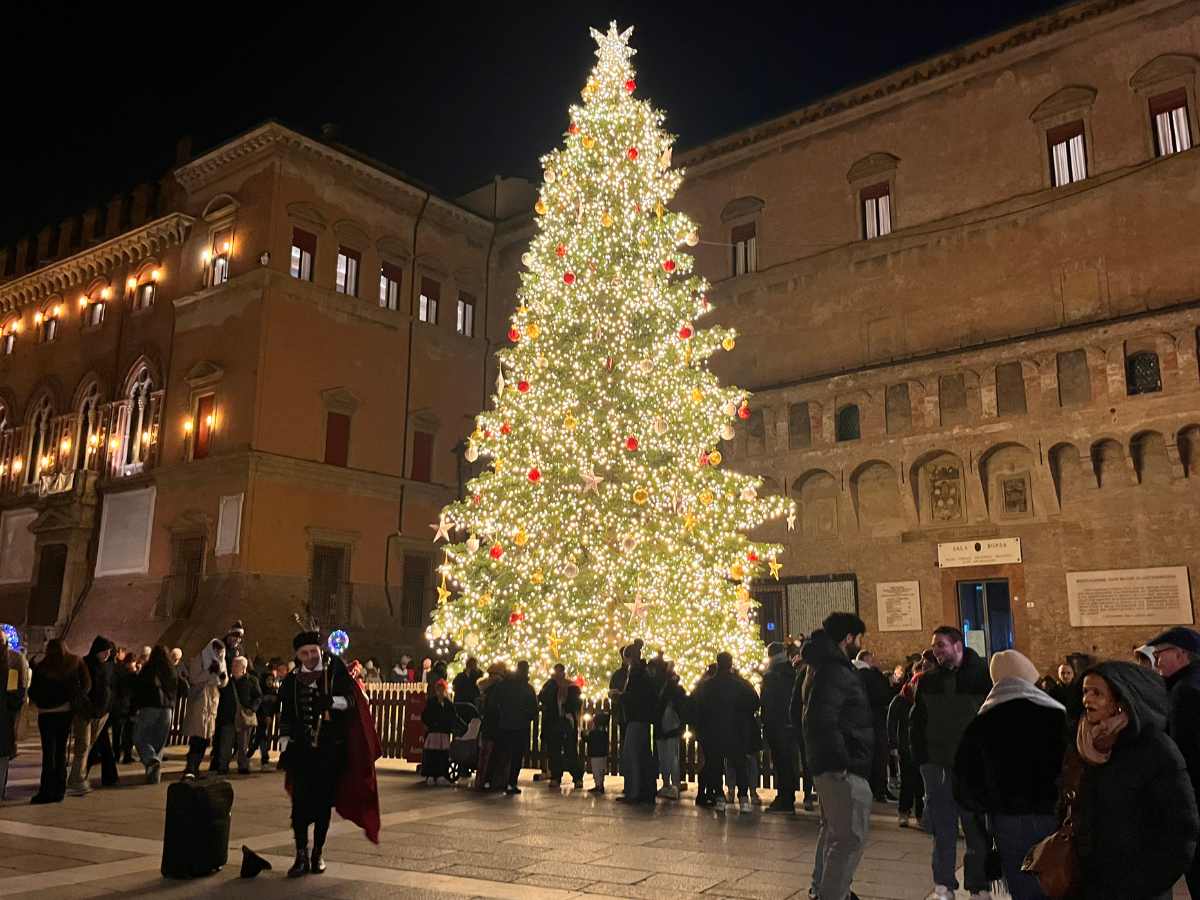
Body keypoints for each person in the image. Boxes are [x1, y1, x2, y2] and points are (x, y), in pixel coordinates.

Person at [1066, 661, 1199, 900]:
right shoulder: (1081, 744)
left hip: (1140, 886)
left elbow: (1182, 826)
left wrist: (1151, 881)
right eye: (1085, 691)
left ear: (1119, 701)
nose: (1087, 699)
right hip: (1093, 883)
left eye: (1097, 693)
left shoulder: (1154, 748)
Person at [953, 650, 1066, 900]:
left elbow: (964, 780)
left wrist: (984, 808)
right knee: (1059, 880)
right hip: (1055, 814)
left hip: (1008, 819)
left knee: (1023, 884)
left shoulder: (982, 722)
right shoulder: (1056, 715)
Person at [909, 626, 992, 900]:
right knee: (943, 829)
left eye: (941, 645)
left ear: (957, 645)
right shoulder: (928, 681)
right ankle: (944, 885)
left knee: (975, 829)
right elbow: (917, 723)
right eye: (934, 646)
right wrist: (922, 760)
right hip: (937, 766)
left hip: (971, 767)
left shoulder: (982, 676)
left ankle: (978, 886)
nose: (936, 651)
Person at [802, 613, 875, 900]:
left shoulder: (818, 666)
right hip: (841, 768)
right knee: (848, 838)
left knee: (833, 832)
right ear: (848, 639)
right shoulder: (834, 670)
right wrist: (841, 763)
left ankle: (824, 889)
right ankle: (832, 895)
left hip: (829, 765)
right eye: (858, 639)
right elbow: (821, 720)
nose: (859, 644)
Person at [278, 626, 359, 876]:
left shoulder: (334, 673)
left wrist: (332, 702)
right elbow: (288, 714)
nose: (311, 657)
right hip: (301, 752)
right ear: (298, 656)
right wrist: (284, 742)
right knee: (299, 806)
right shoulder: (292, 681)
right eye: (305, 654)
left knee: (323, 806)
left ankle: (318, 853)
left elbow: (353, 701)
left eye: (314, 651)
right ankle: (300, 854)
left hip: (328, 752)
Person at [1146, 626, 1200, 898]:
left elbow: (1181, 754)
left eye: (1160, 654)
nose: (1155, 662)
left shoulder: (1183, 692)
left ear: (1181, 654)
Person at [693, 651, 759, 812]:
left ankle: (720, 798)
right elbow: (754, 702)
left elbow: (697, 707)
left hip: (713, 731)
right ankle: (743, 799)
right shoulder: (739, 684)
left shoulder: (708, 686)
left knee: (715, 765)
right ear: (730, 663)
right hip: (736, 730)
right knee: (739, 764)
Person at [28, 639, 88, 804]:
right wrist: (71, 700)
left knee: (49, 753)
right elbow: (86, 684)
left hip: (46, 713)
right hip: (65, 712)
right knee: (61, 751)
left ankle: (46, 790)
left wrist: (42, 701)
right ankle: (59, 789)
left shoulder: (42, 667)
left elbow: (33, 691)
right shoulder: (74, 663)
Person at [888, 650, 933, 828]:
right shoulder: (900, 700)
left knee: (921, 782)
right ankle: (904, 811)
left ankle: (921, 814)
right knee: (908, 780)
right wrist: (893, 744)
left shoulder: (925, 701)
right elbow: (891, 722)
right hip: (905, 745)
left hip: (923, 745)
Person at [68, 636, 115, 795]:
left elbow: (109, 687)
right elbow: (80, 689)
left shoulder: (107, 666)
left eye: (109, 651)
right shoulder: (85, 664)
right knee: (83, 745)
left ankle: (79, 777)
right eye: (105, 651)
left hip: (101, 714)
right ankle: (76, 779)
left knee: (89, 746)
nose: (107, 654)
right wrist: (87, 707)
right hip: (85, 713)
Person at [132, 645, 178, 784]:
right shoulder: (171, 671)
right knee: (159, 743)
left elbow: (139, 689)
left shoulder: (148, 669)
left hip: (150, 707)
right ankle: (154, 775)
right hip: (167, 710)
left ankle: (150, 759)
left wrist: (135, 708)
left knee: (140, 737)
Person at [761, 641, 798, 813]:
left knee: (781, 762)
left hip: (777, 724)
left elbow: (767, 703)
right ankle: (788, 797)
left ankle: (784, 799)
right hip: (791, 723)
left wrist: (765, 722)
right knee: (789, 762)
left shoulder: (771, 675)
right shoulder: (792, 672)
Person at [618, 646, 658, 804]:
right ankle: (645, 790)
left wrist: (620, 696)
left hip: (636, 719)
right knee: (642, 755)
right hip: (643, 719)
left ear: (628, 658)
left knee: (632, 756)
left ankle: (634, 792)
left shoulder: (636, 674)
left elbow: (634, 697)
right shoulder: (645, 672)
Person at [183, 638, 228, 778]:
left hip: (212, 701)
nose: (218, 653)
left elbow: (222, 683)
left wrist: (223, 677)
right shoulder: (200, 658)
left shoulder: (221, 661)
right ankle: (190, 768)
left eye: (220, 651)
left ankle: (195, 768)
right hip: (200, 700)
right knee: (197, 736)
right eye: (216, 650)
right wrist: (209, 671)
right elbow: (194, 678)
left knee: (204, 739)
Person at [855, 649, 896, 802]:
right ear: (867, 660)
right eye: (873, 659)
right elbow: (883, 696)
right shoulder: (870, 675)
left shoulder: (851, 673)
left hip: (859, 722)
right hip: (876, 720)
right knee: (879, 756)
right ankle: (880, 790)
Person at [492, 660, 537, 795]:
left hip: (505, 725)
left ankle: (500, 781)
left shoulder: (504, 685)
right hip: (520, 726)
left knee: (503, 754)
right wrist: (527, 716)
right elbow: (533, 709)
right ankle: (511, 782)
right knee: (516, 756)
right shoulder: (527, 688)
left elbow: (495, 702)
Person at [788, 642, 817, 811]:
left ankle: (809, 794)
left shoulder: (805, 672)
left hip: (806, 724)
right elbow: (796, 702)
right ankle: (808, 794)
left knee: (808, 761)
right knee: (809, 761)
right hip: (807, 724)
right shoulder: (806, 673)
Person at [0, 634, 29, 800]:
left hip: (4, 718)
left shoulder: (11, 664)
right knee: (2, 759)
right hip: (4, 719)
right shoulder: (11, 665)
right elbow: (15, 696)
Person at [655, 664, 686, 800]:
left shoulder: (662, 688)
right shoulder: (675, 690)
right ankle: (673, 784)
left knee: (667, 757)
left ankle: (670, 784)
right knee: (671, 756)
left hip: (665, 727)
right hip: (671, 727)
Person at [421, 678, 456, 785]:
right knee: (432, 754)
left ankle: (442, 774)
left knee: (443, 755)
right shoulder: (431, 702)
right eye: (438, 690)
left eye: (442, 690)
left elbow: (452, 717)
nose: (440, 692)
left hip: (444, 732)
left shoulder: (448, 704)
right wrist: (430, 724)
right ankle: (430, 774)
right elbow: (425, 715)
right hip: (434, 732)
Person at [230, 656, 263, 774]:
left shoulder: (252, 680)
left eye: (236, 665)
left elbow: (258, 696)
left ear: (243, 667)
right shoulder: (229, 681)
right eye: (233, 665)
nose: (233, 667)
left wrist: (252, 708)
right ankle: (221, 764)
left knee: (243, 743)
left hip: (245, 715)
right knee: (227, 741)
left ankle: (243, 765)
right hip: (229, 715)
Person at [538, 663, 568, 784]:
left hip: (557, 720)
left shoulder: (560, 684)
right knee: (553, 750)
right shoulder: (550, 684)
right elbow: (542, 697)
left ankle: (556, 774)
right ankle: (555, 774)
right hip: (552, 720)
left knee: (557, 750)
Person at [256, 659, 284, 769]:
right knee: (260, 737)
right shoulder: (261, 691)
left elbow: (277, 704)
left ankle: (261, 756)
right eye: (268, 680)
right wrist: (265, 716)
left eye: (271, 680)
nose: (270, 682)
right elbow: (260, 705)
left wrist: (277, 713)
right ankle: (264, 758)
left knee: (261, 738)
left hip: (270, 718)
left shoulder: (274, 692)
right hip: (261, 718)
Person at [587, 710, 610, 793]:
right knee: (601, 770)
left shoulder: (593, 733)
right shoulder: (604, 733)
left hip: (595, 755)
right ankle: (601, 784)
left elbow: (588, 740)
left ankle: (598, 785)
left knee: (596, 771)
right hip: (603, 754)